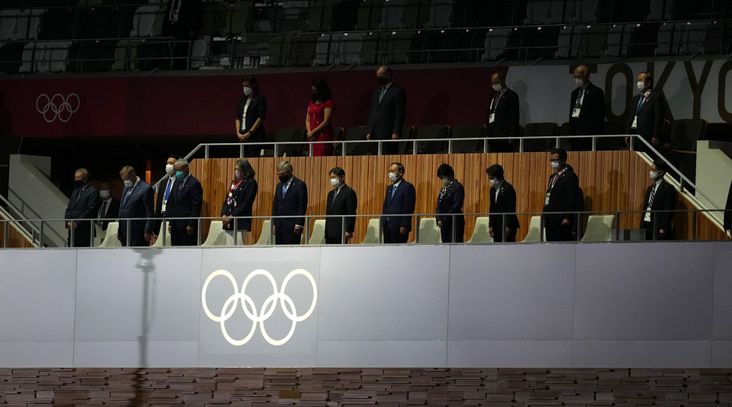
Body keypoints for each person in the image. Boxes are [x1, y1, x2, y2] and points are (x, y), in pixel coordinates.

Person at [365, 65, 406, 155]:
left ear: (388, 75)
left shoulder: (397, 91)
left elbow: (400, 113)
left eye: (381, 76)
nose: (379, 78)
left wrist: (396, 131)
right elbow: (373, 112)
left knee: (387, 156)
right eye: (377, 76)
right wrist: (369, 130)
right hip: (375, 132)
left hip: (388, 132)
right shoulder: (377, 91)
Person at [543, 148, 580, 242]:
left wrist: (567, 217)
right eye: (551, 160)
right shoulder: (552, 177)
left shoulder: (570, 176)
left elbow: (571, 198)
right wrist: (544, 215)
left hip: (561, 220)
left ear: (563, 160)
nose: (552, 162)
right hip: (550, 219)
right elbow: (548, 195)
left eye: (555, 160)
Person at [627, 72, 669, 150]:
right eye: (637, 80)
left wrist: (656, 135)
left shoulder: (656, 97)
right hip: (634, 134)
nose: (638, 83)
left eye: (640, 80)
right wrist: (627, 133)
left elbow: (658, 118)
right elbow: (631, 117)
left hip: (647, 135)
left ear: (648, 82)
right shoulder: (636, 98)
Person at [166, 158, 203, 246]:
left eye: (179, 170)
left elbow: (196, 206)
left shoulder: (194, 183)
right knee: (175, 251)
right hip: (175, 225)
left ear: (186, 169)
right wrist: (171, 222)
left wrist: (191, 224)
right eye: (176, 170)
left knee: (187, 252)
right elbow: (172, 202)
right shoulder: (176, 182)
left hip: (187, 226)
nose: (177, 173)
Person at [221, 159, 258, 244]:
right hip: (228, 222)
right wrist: (223, 214)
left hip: (240, 222)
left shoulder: (251, 183)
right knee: (228, 249)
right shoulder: (234, 182)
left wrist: (232, 216)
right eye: (235, 169)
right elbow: (227, 200)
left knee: (238, 248)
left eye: (238, 169)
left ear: (245, 170)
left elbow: (246, 203)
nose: (236, 171)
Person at [568, 64, 605, 150]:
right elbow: (571, 113)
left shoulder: (596, 92)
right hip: (575, 133)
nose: (576, 79)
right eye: (575, 76)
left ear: (586, 76)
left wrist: (597, 135)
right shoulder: (574, 93)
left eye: (578, 76)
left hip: (589, 134)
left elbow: (599, 115)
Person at [272, 161, 308, 245]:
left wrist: (299, 224)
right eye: (278, 174)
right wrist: (274, 223)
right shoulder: (279, 186)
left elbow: (302, 206)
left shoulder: (300, 185)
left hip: (292, 226)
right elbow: (275, 204)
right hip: (279, 225)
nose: (280, 176)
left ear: (289, 172)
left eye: (282, 174)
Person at [117, 166, 154, 246]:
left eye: (126, 179)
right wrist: (119, 230)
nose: (125, 182)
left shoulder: (146, 189)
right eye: (123, 180)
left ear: (133, 175)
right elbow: (122, 207)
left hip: (138, 232)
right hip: (124, 230)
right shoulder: (126, 187)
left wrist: (148, 231)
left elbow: (149, 212)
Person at [640, 160, 677, 240]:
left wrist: (663, 227)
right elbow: (645, 208)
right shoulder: (650, 188)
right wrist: (642, 225)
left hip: (658, 226)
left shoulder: (668, 188)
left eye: (653, 170)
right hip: (647, 224)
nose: (651, 172)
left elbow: (668, 209)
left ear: (660, 172)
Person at [381, 162, 416, 243]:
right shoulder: (389, 188)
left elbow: (408, 208)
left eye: (393, 171)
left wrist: (404, 225)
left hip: (399, 227)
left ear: (400, 173)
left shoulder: (407, 187)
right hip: (387, 227)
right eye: (389, 171)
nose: (390, 174)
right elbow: (385, 206)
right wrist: (383, 223)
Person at [64, 168, 99, 247]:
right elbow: (69, 209)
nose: (76, 180)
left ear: (85, 179)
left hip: (84, 231)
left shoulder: (92, 192)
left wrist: (77, 222)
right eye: (75, 177)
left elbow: (91, 210)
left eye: (78, 178)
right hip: (72, 231)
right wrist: (68, 221)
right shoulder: (75, 192)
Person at [486, 71, 519, 152]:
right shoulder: (493, 96)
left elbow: (514, 117)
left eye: (496, 82)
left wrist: (512, 135)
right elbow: (489, 113)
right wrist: (488, 134)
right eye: (492, 82)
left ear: (503, 80)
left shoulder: (511, 95)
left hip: (505, 136)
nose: (494, 85)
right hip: (493, 136)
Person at [235, 75, 267, 157]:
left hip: (255, 137)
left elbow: (260, 118)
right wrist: (238, 133)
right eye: (243, 86)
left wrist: (250, 133)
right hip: (242, 137)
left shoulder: (260, 98)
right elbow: (238, 117)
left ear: (253, 85)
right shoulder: (243, 100)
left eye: (247, 86)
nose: (245, 88)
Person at [486, 164, 519, 242]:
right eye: (489, 178)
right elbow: (492, 208)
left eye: (492, 178)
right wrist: (490, 225)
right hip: (496, 225)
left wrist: (508, 226)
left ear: (498, 177)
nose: (490, 180)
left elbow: (511, 208)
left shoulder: (508, 188)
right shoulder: (492, 190)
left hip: (507, 225)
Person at [325, 167, 358, 244]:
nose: (332, 180)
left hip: (341, 230)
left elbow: (351, 212)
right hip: (329, 231)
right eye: (331, 178)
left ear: (342, 177)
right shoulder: (330, 194)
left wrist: (348, 230)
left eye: (334, 177)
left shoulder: (349, 192)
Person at [152, 155, 178, 245]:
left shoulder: (180, 182)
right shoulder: (163, 182)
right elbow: (159, 203)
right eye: (167, 163)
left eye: (171, 163)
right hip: (162, 216)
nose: (168, 165)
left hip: (173, 219)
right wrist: (156, 226)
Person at [435, 163, 464, 243]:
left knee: (455, 248)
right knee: (445, 246)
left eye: (443, 178)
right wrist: (438, 219)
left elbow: (456, 206)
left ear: (450, 175)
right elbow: (439, 205)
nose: (442, 180)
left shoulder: (458, 187)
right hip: (444, 224)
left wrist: (444, 219)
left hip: (454, 223)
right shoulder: (443, 189)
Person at [306, 79, 335, 157]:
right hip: (312, 137)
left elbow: (326, 121)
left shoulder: (328, 102)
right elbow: (308, 118)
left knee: (321, 156)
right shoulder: (311, 102)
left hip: (323, 136)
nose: (314, 93)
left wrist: (313, 132)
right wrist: (309, 132)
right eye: (313, 90)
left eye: (316, 91)